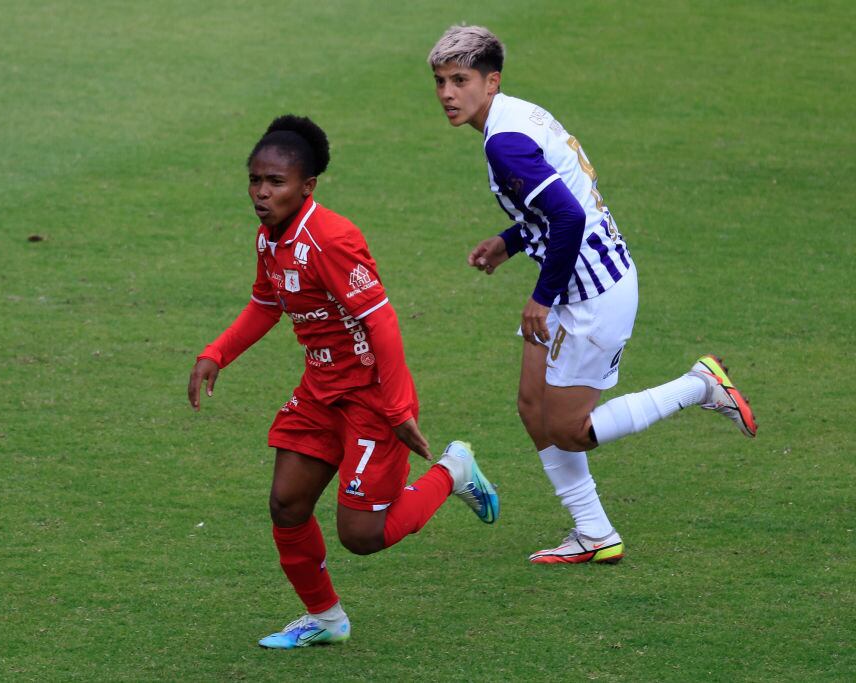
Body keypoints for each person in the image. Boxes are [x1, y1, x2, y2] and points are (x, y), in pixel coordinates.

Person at [426, 26, 758, 564]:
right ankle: (594, 532)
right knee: (532, 408)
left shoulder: (504, 142)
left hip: (591, 294)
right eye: (440, 81)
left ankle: (698, 386)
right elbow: (558, 201)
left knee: (570, 430)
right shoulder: (515, 116)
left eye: (460, 80)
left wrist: (541, 294)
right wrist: (509, 243)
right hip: (574, 284)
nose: (446, 93)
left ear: (491, 82)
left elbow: (568, 214)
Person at [187, 115, 499, 648]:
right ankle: (327, 620)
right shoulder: (270, 238)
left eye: (275, 183)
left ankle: (453, 470)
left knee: (362, 535)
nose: (262, 193)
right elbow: (267, 304)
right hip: (320, 391)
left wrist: (398, 408)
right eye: (255, 181)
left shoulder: (331, 239)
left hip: (371, 398)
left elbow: (381, 321)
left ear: (306, 187)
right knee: (286, 504)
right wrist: (217, 352)